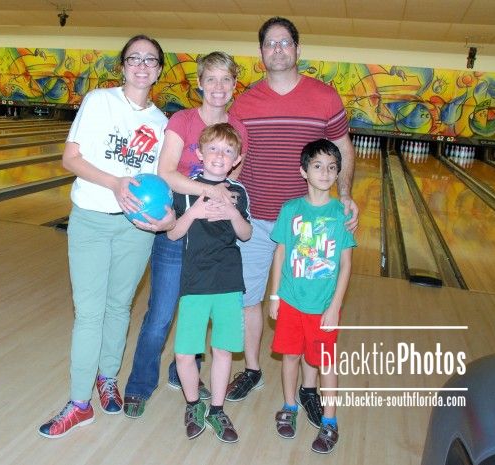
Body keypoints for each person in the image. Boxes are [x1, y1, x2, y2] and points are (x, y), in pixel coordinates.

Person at [225, 16, 359, 430]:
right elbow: (234, 158)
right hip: (256, 219)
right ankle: (252, 369)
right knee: (249, 298)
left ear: (298, 49)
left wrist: (345, 194)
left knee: (309, 305)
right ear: (261, 52)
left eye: (285, 42)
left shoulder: (325, 96)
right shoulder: (245, 102)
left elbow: (342, 148)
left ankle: (308, 389)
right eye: (270, 43)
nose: (278, 49)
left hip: (308, 227)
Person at [38, 34, 174, 439]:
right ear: (123, 66)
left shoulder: (162, 124)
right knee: (89, 313)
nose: (142, 65)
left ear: (159, 70)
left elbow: (162, 181)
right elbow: (71, 158)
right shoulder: (99, 101)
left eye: (150, 59)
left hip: (136, 229)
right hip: (92, 220)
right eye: (134, 58)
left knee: (119, 307)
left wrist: (167, 216)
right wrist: (116, 183)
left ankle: (107, 377)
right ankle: (80, 404)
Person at [122, 51, 248, 418]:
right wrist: (206, 193)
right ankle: (140, 385)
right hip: (178, 228)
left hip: (211, 244)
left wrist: (221, 205)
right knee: (161, 314)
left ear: (234, 85)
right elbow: (166, 173)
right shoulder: (183, 120)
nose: (218, 87)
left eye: (225, 79)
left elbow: (231, 188)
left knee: (200, 312)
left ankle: (183, 373)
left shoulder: (239, 130)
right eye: (211, 79)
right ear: (200, 84)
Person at [269, 138, 355, 454]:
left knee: (324, 363)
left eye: (332, 167)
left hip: (323, 306)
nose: (325, 172)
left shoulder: (341, 214)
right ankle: (289, 406)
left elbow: (346, 265)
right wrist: (275, 296)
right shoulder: (290, 209)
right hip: (291, 300)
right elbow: (280, 253)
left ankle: (329, 420)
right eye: (317, 166)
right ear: (303, 171)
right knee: (290, 356)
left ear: (337, 173)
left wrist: (335, 307)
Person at [168, 122, 251, 443]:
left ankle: (217, 409)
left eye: (228, 151)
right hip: (195, 281)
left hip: (228, 280)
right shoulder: (186, 189)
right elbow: (173, 233)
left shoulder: (238, 192)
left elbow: (246, 233)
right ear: (200, 153)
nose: (219, 155)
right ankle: (193, 405)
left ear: (236, 159)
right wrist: (195, 213)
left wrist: (232, 212)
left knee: (223, 350)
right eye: (213, 148)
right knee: (184, 353)